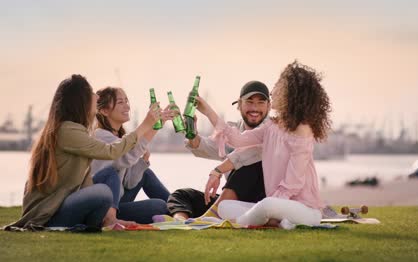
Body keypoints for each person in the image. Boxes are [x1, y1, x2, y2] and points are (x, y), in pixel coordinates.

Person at [4, 75, 160, 230]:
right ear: (80, 100)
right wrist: (146, 125)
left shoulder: (78, 131)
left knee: (152, 203)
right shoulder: (67, 131)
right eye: (92, 93)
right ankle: (109, 220)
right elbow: (112, 152)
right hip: (50, 215)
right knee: (103, 191)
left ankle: (110, 219)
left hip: (68, 206)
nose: (97, 96)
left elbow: (87, 183)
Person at [197, 61, 332, 228]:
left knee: (267, 205)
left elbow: (292, 184)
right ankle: (271, 221)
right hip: (276, 205)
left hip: (304, 209)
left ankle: (233, 224)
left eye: (278, 86)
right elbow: (237, 140)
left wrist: (271, 206)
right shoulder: (272, 127)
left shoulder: (302, 130)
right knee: (225, 207)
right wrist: (208, 111)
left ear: (290, 93)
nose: (273, 91)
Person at [166, 81, 271, 220]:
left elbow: (247, 153)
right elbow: (203, 147)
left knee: (246, 165)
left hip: (262, 199)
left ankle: (206, 219)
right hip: (231, 201)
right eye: (249, 102)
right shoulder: (231, 130)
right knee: (182, 195)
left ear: (269, 106)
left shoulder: (272, 129)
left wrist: (218, 171)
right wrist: (191, 132)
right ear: (239, 105)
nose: (255, 108)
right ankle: (181, 222)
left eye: (261, 103)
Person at [90, 87, 174, 225]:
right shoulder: (100, 135)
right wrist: (152, 125)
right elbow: (127, 156)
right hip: (105, 208)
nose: (127, 106)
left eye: (126, 101)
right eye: (120, 102)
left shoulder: (119, 137)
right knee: (159, 206)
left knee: (146, 173)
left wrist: (143, 162)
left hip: (118, 201)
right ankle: (179, 210)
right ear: (104, 111)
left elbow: (130, 182)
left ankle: (180, 207)